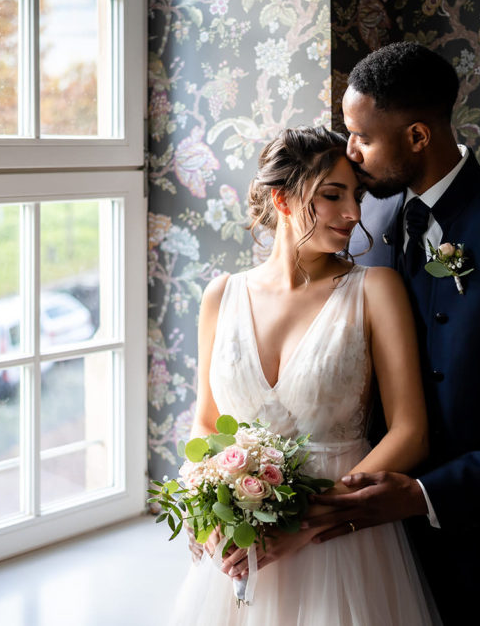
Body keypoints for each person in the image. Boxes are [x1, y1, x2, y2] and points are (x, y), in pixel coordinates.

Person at [306, 42, 480, 624]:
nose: (350, 152)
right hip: (365, 550)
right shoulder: (365, 223)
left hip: (479, 556)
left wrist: (421, 496)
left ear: (417, 136)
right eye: (346, 132)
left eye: (362, 136)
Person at [169, 126, 438, 625]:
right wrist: (206, 506)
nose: (354, 213)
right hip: (241, 549)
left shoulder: (375, 289)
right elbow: (206, 423)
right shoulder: (221, 295)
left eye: (355, 196)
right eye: (332, 195)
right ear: (283, 198)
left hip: (340, 541)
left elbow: (411, 432)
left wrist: (305, 524)